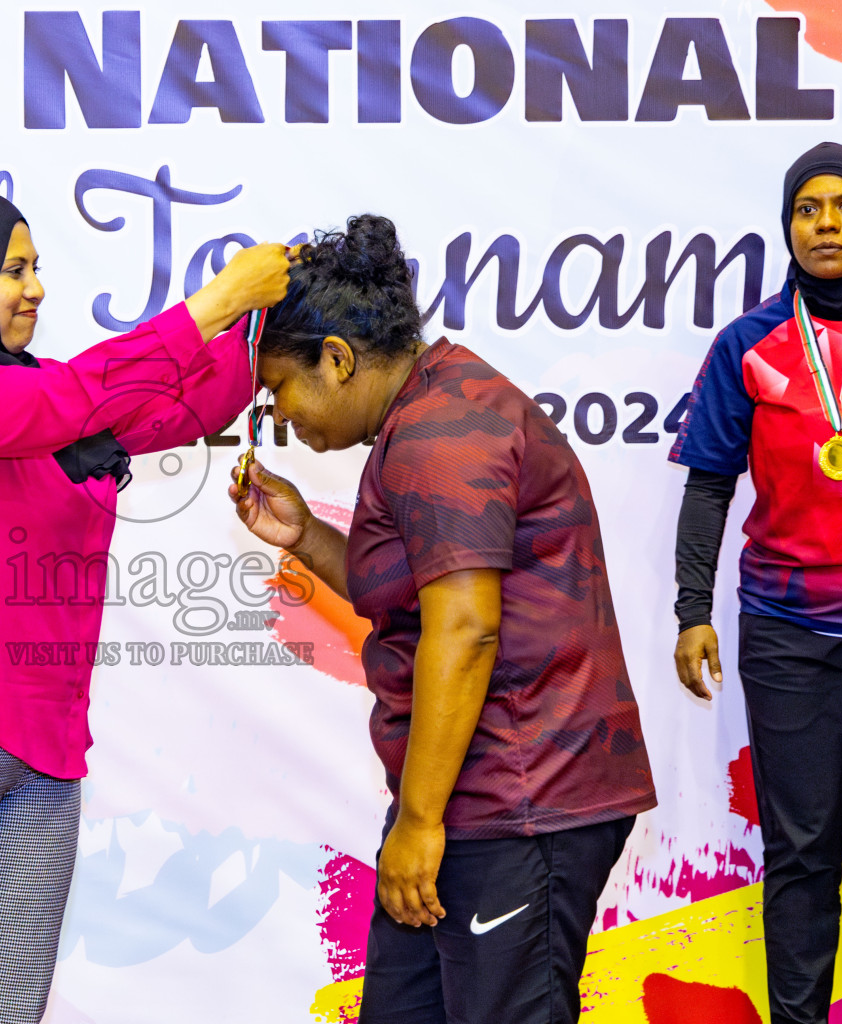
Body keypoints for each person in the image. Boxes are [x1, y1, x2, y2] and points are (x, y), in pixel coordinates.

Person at [0, 184, 288, 1024]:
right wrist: (215, 302)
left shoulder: (48, 398)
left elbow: (184, 405)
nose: (36, 287)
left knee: (6, 1015)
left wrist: (271, 326)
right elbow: (66, 401)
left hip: (43, 749)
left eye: (37, 268)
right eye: (12, 269)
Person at [229, 215, 655, 1023]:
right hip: (474, 793)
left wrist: (419, 824)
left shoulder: (439, 435)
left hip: (521, 798)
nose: (278, 416)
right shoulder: (425, 413)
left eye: (278, 388)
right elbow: (420, 597)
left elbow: (465, 632)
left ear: (338, 359)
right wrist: (306, 538)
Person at [670, 142, 842, 1024]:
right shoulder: (750, 344)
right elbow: (708, 483)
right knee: (804, 853)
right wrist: (689, 611)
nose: (826, 223)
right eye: (808, 208)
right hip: (788, 633)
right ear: (788, 226)